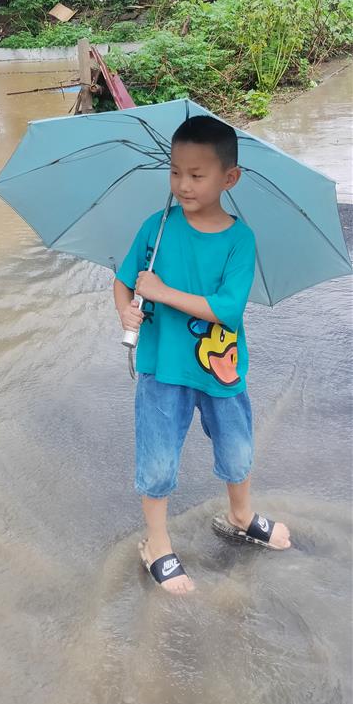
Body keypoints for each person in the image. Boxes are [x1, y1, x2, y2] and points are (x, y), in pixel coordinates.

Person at [113, 115, 291, 594]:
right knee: (157, 460)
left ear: (229, 178)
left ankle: (241, 514)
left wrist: (162, 292)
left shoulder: (240, 239)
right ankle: (156, 542)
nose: (183, 185)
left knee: (237, 450)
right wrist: (126, 310)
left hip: (221, 369)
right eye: (175, 172)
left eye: (197, 175)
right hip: (162, 367)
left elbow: (226, 310)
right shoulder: (156, 228)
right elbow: (125, 280)